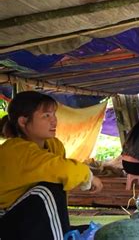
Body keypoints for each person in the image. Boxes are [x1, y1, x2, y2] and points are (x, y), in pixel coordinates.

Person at [0, 91, 103, 239]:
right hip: (5, 220)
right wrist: (89, 177)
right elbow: (61, 169)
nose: (54, 121)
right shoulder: (16, 150)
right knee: (47, 191)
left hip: (26, 220)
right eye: (46, 116)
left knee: (88, 230)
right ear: (23, 122)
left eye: (53, 114)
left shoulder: (53, 145)